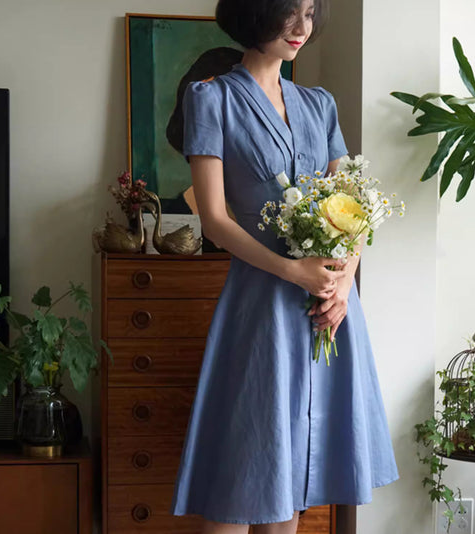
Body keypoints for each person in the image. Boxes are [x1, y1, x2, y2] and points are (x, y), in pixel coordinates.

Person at [169, 1, 399, 533]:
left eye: (311, 14)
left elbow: (354, 208)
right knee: (243, 474)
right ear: (255, 14)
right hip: (261, 307)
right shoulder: (212, 98)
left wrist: (343, 281)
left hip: (331, 310)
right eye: (289, 13)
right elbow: (215, 220)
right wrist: (293, 271)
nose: (302, 28)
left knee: (295, 481)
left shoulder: (320, 104)